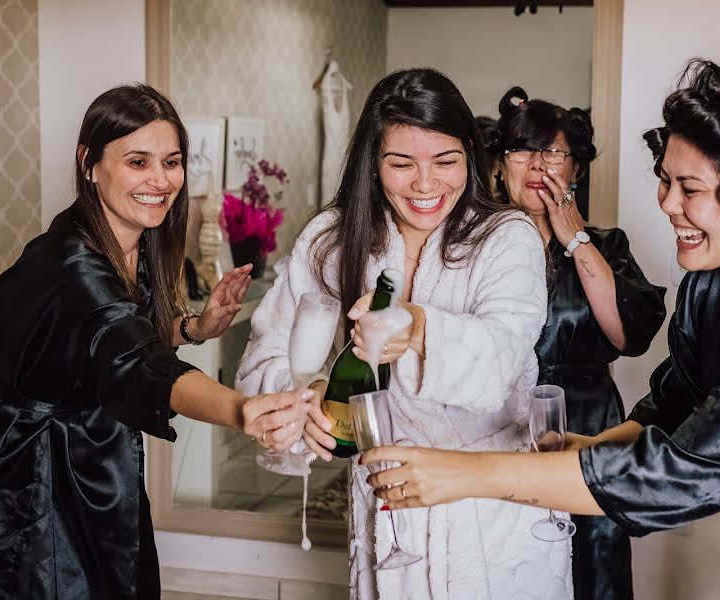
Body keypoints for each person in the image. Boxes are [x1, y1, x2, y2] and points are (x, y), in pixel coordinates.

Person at [364, 61, 720, 600]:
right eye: (665, 180)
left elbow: (686, 469)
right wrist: (587, 447)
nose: (666, 203)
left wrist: (469, 475)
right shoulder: (708, 287)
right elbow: (671, 411)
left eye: (688, 188)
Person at [236, 68, 572, 599]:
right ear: (373, 162)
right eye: (400, 163)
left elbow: (506, 352)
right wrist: (306, 400)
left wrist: (418, 329)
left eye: (445, 161)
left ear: (470, 156)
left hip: (493, 509)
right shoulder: (331, 239)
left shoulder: (507, 238)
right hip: (388, 504)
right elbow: (268, 351)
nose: (424, 183)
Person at [0, 84, 313, 599]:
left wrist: (191, 328)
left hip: (95, 456)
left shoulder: (127, 242)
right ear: (89, 163)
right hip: (38, 480)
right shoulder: (74, 268)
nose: (161, 181)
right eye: (138, 162)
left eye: (171, 162)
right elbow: (133, 358)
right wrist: (242, 410)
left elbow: (112, 336)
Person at [490, 86, 666, 600]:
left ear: (576, 170)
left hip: (590, 433)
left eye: (553, 152)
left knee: (593, 570)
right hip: (501, 427)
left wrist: (574, 237)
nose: (537, 164)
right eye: (522, 150)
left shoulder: (607, 246)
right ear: (502, 167)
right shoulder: (476, 248)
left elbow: (627, 337)